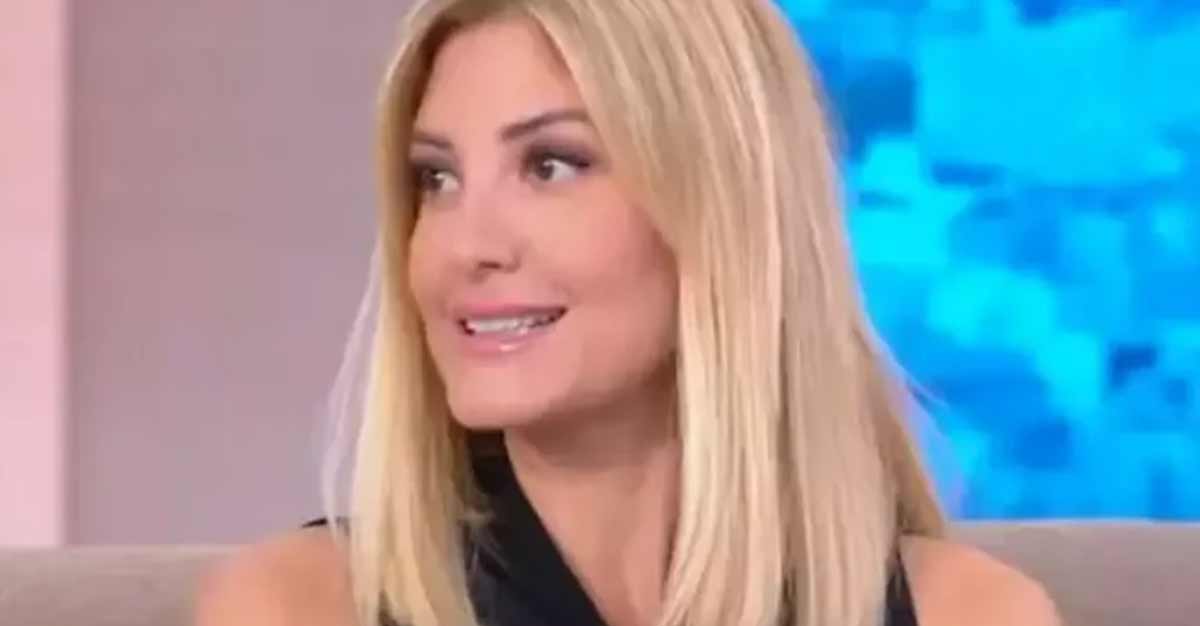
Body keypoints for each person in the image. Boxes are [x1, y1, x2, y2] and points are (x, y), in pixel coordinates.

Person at [195, 1, 1062, 625]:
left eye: (551, 165)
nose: (465, 246)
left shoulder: (973, 613)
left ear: (722, 210)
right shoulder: (298, 605)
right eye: (438, 179)